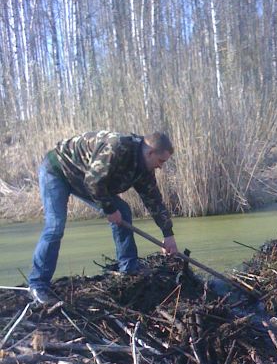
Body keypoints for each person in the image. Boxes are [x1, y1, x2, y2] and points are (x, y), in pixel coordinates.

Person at [28, 130, 180, 304]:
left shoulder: (144, 169)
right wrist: (109, 209)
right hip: (58, 170)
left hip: (82, 177)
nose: (160, 166)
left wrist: (168, 235)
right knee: (55, 227)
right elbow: (93, 182)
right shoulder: (118, 147)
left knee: (122, 211)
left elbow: (154, 200)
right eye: (161, 161)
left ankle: (129, 267)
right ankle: (38, 284)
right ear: (150, 152)